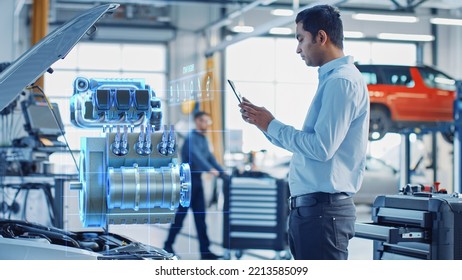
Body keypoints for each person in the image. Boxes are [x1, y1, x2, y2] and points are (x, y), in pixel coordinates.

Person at [239, 4, 369, 260]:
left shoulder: (341, 82)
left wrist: (271, 124)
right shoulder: (333, 80)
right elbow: (310, 146)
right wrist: (263, 124)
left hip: (322, 212)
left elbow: (320, 148)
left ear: (321, 37)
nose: (298, 48)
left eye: (301, 39)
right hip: (313, 212)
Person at [164, 111, 224, 260]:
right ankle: (168, 245)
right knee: (180, 217)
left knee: (201, 218)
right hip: (187, 182)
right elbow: (197, 157)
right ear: (197, 121)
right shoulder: (191, 139)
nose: (207, 124)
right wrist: (210, 170)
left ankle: (205, 251)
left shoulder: (203, 139)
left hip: (197, 181)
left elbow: (210, 158)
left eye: (208, 122)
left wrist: (223, 173)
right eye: (204, 121)